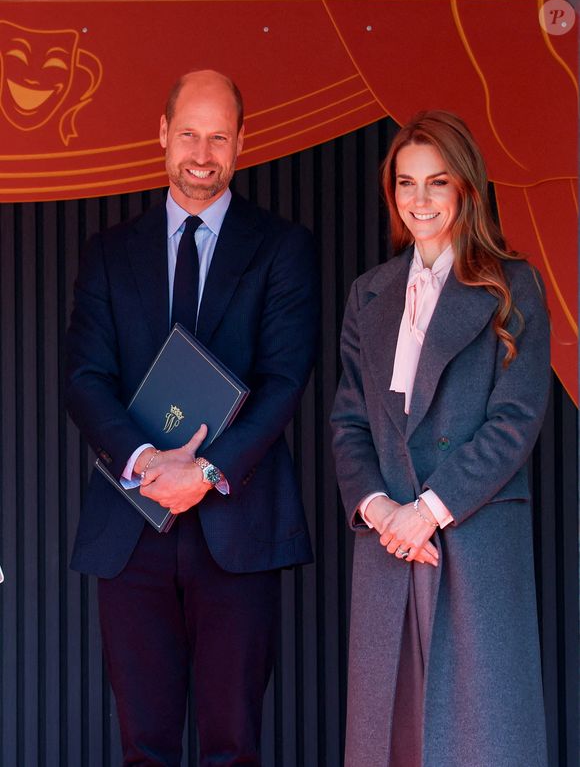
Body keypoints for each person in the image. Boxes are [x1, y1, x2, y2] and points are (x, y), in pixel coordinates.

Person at [66, 69, 319, 766]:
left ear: (243, 141)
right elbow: (85, 380)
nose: (201, 154)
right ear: (161, 135)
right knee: (143, 745)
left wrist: (205, 471)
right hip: (132, 524)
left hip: (236, 527)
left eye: (217, 136)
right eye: (187, 134)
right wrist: (149, 466)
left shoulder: (281, 247)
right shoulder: (109, 252)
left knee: (232, 744)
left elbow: (284, 380)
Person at [331, 110, 550, 767]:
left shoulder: (514, 287)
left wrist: (425, 511)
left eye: (437, 182)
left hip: (470, 535)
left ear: (466, 189)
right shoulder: (368, 294)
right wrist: (382, 511)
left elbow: (515, 420)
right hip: (388, 543)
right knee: (390, 740)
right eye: (406, 182)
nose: (419, 199)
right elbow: (348, 423)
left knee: (479, 741)